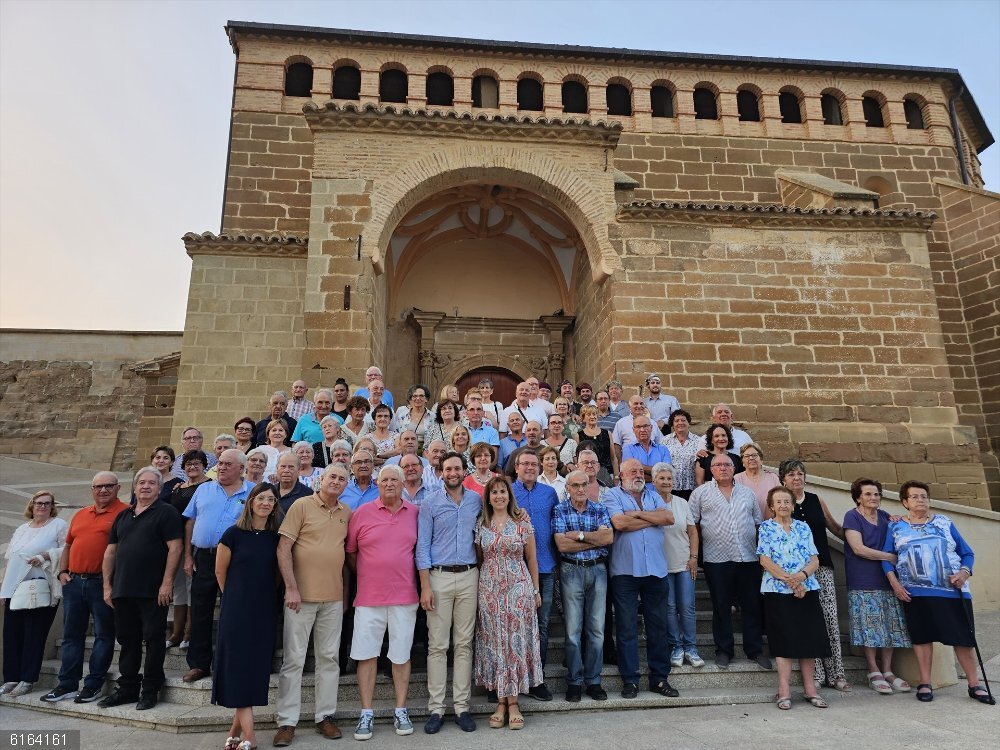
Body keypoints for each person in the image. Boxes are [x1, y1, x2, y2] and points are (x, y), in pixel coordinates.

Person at [882, 480, 993, 705]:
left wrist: (964, 573)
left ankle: (974, 684)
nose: (920, 500)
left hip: (952, 591)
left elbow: (967, 553)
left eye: (923, 496)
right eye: (914, 497)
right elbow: (886, 558)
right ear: (905, 502)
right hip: (915, 593)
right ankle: (925, 682)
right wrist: (895, 584)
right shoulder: (894, 526)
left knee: (963, 639)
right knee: (922, 638)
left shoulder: (944, 522)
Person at [274, 464, 354, 746]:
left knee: (329, 659)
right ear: (321, 479)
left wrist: (343, 594)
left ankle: (325, 717)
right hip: (300, 598)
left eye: (342, 479)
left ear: (346, 485)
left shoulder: (346, 512)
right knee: (294, 660)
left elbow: (344, 556)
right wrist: (291, 588)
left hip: (332, 599)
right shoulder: (301, 505)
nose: (336, 481)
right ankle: (287, 721)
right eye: (332, 476)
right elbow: (283, 548)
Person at [346, 465, 419, 740]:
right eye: (384, 480)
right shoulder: (361, 513)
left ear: (403, 484)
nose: (389, 484)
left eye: (394, 480)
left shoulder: (415, 513)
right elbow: (351, 553)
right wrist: (369, 574)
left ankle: (400, 709)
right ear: (377, 484)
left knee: (401, 655)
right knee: (366, 655)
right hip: (369, 597)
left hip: (405, 596)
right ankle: (366, 713)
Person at [99, 467, 183, 710]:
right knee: (128, 640)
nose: (145, 486)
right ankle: (127, 688)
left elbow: (175, 548)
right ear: (135, 488)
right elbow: (110, 552)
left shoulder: (166, 513)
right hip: (123, 589)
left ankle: (150, 689)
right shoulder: (123, 516)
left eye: (151, 483)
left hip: (153, 591)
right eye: (141, 483)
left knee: (154, 639)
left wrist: (167, 583)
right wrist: (107, 586)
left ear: (159, 488)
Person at [40, 475, 128, 704]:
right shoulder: (81, 513)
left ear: (118, 488)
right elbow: (68, 544)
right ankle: (66, 684)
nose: (104, 490)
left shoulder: (125, 512)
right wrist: (62, 571)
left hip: (103, 583)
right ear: (92, 490)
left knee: (103, 635)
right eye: (99, 486)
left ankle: (93, 685)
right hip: (74, 582)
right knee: (71, 636)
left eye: (109, 486)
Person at [416, 452, 482, 734]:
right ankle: (436, 708)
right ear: (440, 472)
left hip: (469, 575)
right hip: (439, 577)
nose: (453, 472)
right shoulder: (430, 502)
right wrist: (425, 586)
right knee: (438, 645)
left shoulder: (476, 501)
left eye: (457, 468)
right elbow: (422, 546)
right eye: (448, 469)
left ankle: (462, 707)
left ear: (464, 471)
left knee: (465, 644)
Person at [213, 482, 282, 750]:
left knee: (253, 668)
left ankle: (234, 731)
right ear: (251, 501)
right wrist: (236, 598)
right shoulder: (233, 534)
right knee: (238, 666)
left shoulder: (275, 538)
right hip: (236, 609)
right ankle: (250, 737)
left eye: (271, 499)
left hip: (263, 609)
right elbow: (221, 573)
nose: (266, 503)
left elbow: (276, 575)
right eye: (261, 498)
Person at [474, 475, 543, 730]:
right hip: (490, 590)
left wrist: (535, 591)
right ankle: (500, 701)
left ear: (509, 495)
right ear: (488, 498)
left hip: (518, 588)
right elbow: (480, 558)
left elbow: (532, 559)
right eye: (494, 493)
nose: (499, 496)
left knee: (514, 642)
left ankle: (513, 703)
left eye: (503, 491)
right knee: (495, 642)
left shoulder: (522, 522)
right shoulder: (482, 524)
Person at [604, 459, 677, 698]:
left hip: (656, 570)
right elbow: (620, 523)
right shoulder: (612, 495)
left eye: (640, 471)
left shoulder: (654, 494)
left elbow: (668, 518)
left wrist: (636, 513)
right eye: (632, 471)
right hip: (625, 571)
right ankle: (630, 679)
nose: (638, 474)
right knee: (626, 627)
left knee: (658, 626)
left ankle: (659, 678)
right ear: (621, 475)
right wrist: (648, 518)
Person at [689, 452, 768, 669]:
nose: (723, 467)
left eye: (727, 464)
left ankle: (755, 650)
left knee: (752, 605)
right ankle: (724, 650)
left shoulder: (747, 494)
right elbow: (693, 525)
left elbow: (757, 524)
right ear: (711, 470)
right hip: (717, 558)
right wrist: (697, 554)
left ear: (734, 468)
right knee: (721, 606)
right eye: (718, 465)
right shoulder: (700, 494)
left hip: (748, 557)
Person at [181, 449, 253, 684]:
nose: (221, 467)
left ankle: (229, 660)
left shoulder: (253, 492)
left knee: (234, 611)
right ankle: (199, 664)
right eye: (220, 463)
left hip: (237, 562)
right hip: (204, 557)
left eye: (228, 464)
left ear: (241, 469)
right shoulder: (204, 489)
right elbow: (190, 521)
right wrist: (188, 557)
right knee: (201, 611)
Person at [757, 486, 831, 710]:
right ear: (771, 506)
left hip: (806, 588)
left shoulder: (803, 527)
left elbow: (814, 559)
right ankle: (784, 690)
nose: (783, 505)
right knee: (784, 642)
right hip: (777, 590)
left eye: (786, 501)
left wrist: (801, 577)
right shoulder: (766, 528)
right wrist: (790, 581)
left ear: (793, 504)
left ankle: (810, 690)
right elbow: (765, 560)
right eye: (778, 502)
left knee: (808, 641)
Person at [779, 459, 849, 692]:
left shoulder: (816, 500)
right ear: (783, 479)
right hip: (796, 573)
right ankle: (816, 674)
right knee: (809, 621)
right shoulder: (780, 504)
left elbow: (835, 528)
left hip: (822, 568)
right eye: (791, 474)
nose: (796, 478)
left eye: (800, 473)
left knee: (830, 620)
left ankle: (837, 673)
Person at [842, 478, 911, 695]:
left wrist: (901, 520)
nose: (873, 498)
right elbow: (858, 549)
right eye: (868, 494)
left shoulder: (885, 517)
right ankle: (873, 670)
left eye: (877, 494)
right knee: (869, 627)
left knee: (889, 627)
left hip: (888, 579)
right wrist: (889, 556)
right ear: (858, 497)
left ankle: (888, 670)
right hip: (863, 580)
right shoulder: (852, 516)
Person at [551, 470, 613, 702]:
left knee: (596, 630)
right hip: (571, 571)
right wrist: (591, 538)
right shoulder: (560, 509)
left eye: (583, 485)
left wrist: (576, 536)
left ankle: (594, 681)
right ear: (567, 488)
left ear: (589, 486)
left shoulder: (599, 508)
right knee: (573, 631)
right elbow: (561, 545)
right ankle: (574, 681)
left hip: (598, 570)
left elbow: (607, 539)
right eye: (575, 485)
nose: (580, 489)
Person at [0, 491, 67, 697]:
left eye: (47, 503)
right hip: (15, 587)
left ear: (52, 506)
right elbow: (10, 560)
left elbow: (67, 549)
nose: (42, 506)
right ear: (32, 505)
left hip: (41, 588)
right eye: (38, 503)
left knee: (34, 635)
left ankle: (27, 679)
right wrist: (4, 588)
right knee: (12, 634)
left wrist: (45, 555)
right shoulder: (21, 529)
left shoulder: (59, 525)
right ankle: (11, 678)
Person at [511, 450, 558, 701]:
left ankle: (537, 679)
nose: (530, 467)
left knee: (542, 624)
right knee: (513, 624)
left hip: (545, 566)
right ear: (516, 466)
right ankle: (513, 677)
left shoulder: (549, 493)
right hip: (513, 569)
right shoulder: (506, 492)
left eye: (534, 464)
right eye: (525, 463)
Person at [651, 463, 704, 669]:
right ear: (654, 481)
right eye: (662, 478)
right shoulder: (649, 502)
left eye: (669, 479)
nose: (666, 482)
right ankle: (676, 646)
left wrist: (694, 557)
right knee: (670, 607)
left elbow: (692, 532)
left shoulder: (682, 503)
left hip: (684, 562)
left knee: (688, 607)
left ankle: (691, 647)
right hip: (661, 564)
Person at [166, 449, 208, 648]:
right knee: (179, 587)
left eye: (197, 463)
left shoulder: (209, 486)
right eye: (189, 464)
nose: (193, 466)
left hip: (194, 543)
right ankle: (177, 632)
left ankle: (189, 632)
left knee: (192, 586)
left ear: (204, 465)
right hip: (177, 542)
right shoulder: (178, 488)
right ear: (183, 467)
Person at [661, 409, 699, 499]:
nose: (680, 423)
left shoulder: (698, 441)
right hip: (671, 487)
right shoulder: (664, 441)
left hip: (691, 487)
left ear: (688, 423)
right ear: (672, 424)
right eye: (676, 421)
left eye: (683, 420)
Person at [734, 443, 780, 518]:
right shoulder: (737, 479)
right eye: (747, 456)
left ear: (761, 459)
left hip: (771, 525)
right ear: (742, 462)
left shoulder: (773, 478)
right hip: (747, 525)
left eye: (754, 455)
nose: (751, 458)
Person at [622, 415, 671, 484]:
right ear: (633, 430)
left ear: (651, 428)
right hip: (637, 493)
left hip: (659, 493)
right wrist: (658, 475)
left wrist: (640, 468)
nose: (642, 430)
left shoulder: (663, 449)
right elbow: (631, 474)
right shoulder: (628, 449)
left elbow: (667, 472)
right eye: (638, 427)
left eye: (645, 426)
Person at [578, 404, 617, 482]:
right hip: (588, 475)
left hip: (608, 475)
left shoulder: (607, 433)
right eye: (589, 414)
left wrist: (616, 476)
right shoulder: (578, 435)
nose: (592, 417)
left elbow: (613, 458)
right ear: (583, 418)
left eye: (594, 414)